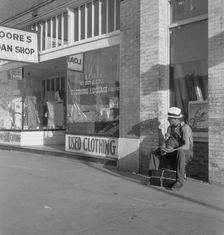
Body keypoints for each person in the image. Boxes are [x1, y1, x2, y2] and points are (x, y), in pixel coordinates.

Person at [148, 107, 193, 190]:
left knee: (181, 152)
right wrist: (163, 147)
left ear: (176, 118)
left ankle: (180, 181)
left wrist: (174, 150)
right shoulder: (170, 128)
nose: (168, 119)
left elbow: (187, 146)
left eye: (170, 118)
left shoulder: (185, 128)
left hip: (186, 153)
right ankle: (153, 176)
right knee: (155, 151)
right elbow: (167, 141)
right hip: (173, 150)